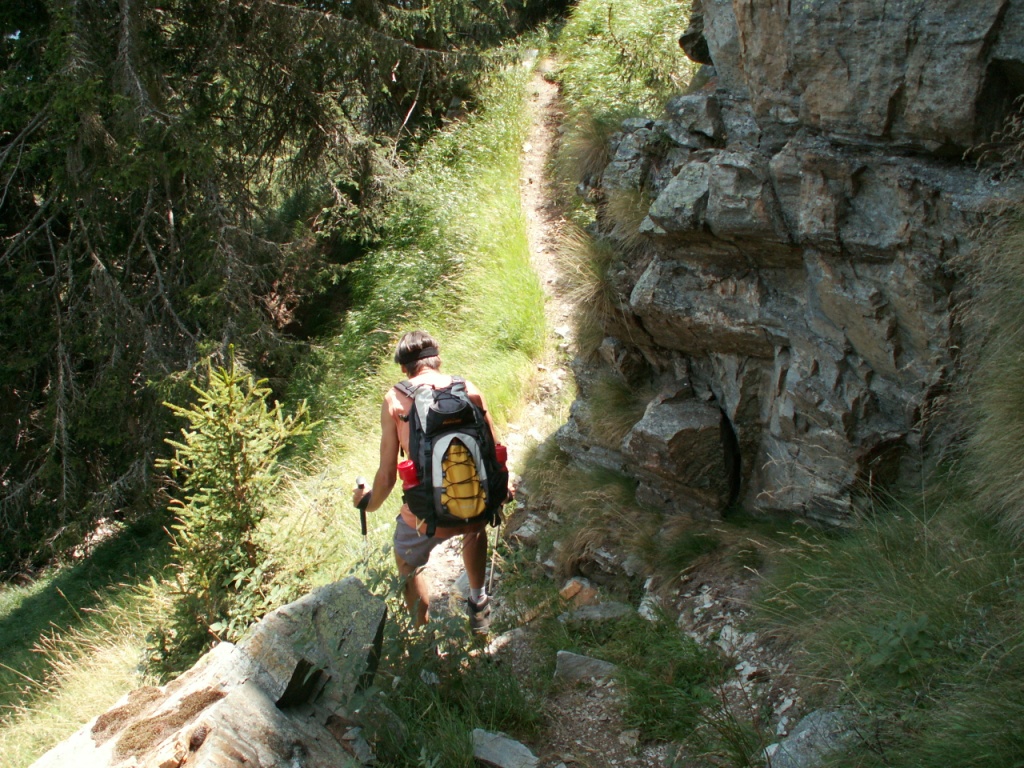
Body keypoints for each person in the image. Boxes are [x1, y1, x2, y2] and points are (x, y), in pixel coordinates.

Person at [352, 330, 497, 633]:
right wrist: (500, 492)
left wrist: (368, 503)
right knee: (474, 528)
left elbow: (388, 474)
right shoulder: (467, 388)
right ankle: (479, 602)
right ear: (437, 359)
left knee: (405, 558)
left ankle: (422, 633)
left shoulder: (396, 399)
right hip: (478, 506)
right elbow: (494, 449)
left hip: (429, 516)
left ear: (404, 367)